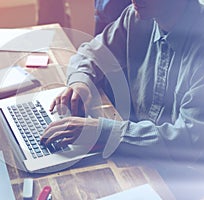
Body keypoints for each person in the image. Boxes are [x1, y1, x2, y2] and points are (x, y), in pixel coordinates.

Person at [41, 0, 204, 198]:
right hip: (138, 159)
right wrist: (80, 83)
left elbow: (186, 140)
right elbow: (91, 53)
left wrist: (102, 130)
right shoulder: (136, 17)